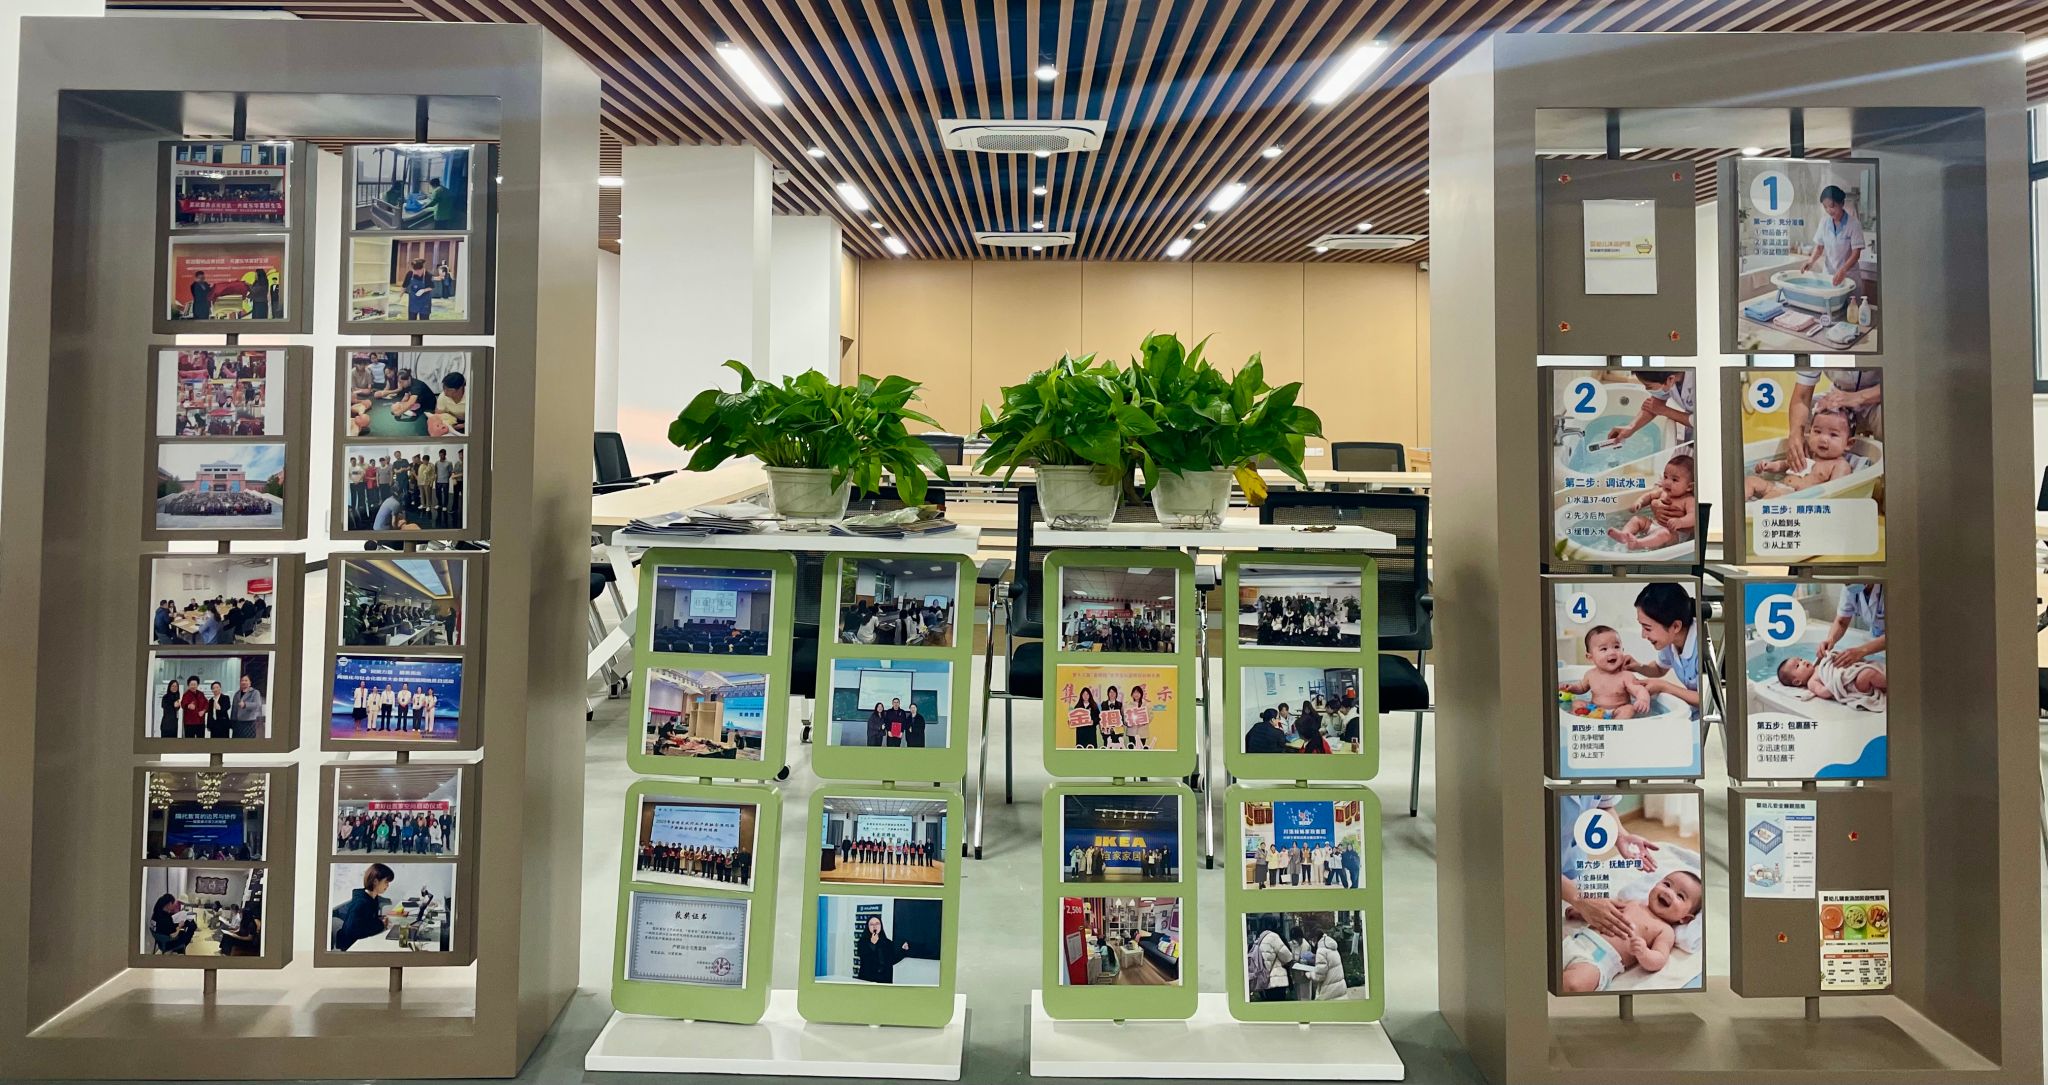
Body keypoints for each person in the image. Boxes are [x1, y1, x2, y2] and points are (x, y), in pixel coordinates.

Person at [1560, 868, 1704, 993]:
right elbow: (1604, 913)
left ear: (1685, 918)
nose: (1668, 892)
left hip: (1596, 960)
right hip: (1574, 940)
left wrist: (1644, 953)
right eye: (1667, 884)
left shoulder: (1665, 930)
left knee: (1574, 985)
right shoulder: (1633, 903)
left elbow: (1659, 958)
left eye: (1680, 896)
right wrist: (1582, 912)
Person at [1624, 582, 1702, 719]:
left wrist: (1664, 686)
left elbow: (1707, 699)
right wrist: (1638, 667)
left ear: (1676, 626)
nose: (1643, 635)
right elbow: (1660, 669)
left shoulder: (1701, 646)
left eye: (1647, 628)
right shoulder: (1669, 641)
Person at [1745, 408, 1859, 500]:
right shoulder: (1808, 453)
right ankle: (1741, 508)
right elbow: (1786, 464)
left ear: (1849, 443)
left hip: (1795, 497)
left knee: (1775, 497)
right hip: (1777, 485)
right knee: (1751, 480)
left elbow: (1835, 491)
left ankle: (1753, 514)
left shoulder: (1839, 465)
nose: (1823, 439)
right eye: (1817, 431)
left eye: (1833, 434)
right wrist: (1770, 466)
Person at [1559, 626, 1651, 720]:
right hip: (1594, 709)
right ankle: (1581, 717)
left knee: (1629, 709)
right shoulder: (1590, 675)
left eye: (1616, 647)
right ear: (1590, 657)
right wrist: (1571, 688)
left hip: (1617, 710)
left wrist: (1643, 700)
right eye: (1604, 649)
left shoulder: (1625, 676)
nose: (1612, 652)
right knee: (1577, 703)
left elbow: (1639, 690)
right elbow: (1581, 688)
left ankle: (1616, 723)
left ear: (1622, 650)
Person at [1609, 454, 1696, 552]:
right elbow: (1649, 495)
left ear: (1689, 487)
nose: (1667, 482)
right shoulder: (1663, 491)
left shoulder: (1688, 500)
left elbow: (1693, 516)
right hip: (1655, 524)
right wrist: (1639, 502)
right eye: (1665, 477)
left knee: (1663, 534)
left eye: (1674, 480)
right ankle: (1624, 535)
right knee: (1636, 519)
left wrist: (1681, 522)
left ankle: (1638, 543)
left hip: (1673, 534)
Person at [1799, 182, 1866, 291]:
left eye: (1832, 206)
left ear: (1842, 203)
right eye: (1825, 207)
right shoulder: (1824, 222)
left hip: (1849, 277)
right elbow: (1819, 247)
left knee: (1850, 302)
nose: (1829, 210)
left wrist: (1843, 270)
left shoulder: (1854, 224)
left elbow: (1856, 254)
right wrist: (1810, 261)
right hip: (1829, 277)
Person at [332, 862, 395, 951]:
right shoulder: (360, 903)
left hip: (361, 941)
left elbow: (366, 921)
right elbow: (353, 931)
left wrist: (379, 920)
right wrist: (381, 924)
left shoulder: (373, 897)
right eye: (386, 882)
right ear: (375, 881)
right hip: (351, 947)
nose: (388, 885)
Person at [1247, 915, 1295, 1001]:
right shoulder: (1273, 936)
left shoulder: (1259, 938)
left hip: (1264, 979)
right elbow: (1287, 957)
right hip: (1276, 980)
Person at [853, 914, 911, 984]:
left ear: (881, 926)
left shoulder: (888, 942)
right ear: (868, 927)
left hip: (884, 979)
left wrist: (903, 951)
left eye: (877, 923)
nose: (874, 926)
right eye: (871, 924)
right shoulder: (862, 942)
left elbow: (892, 960)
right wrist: (873, 944)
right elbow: (866, 960)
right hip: (868, 979)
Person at [231, 672, 265, 739]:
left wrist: (245, 704)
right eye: (242, 680)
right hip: (238, 723)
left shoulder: (255, 692)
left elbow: (257, 705)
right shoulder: (237, 694)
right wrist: (232, 722)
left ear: (250, 683)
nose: (244, 682)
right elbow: (234, 709)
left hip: (250, 722)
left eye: (246, 680)